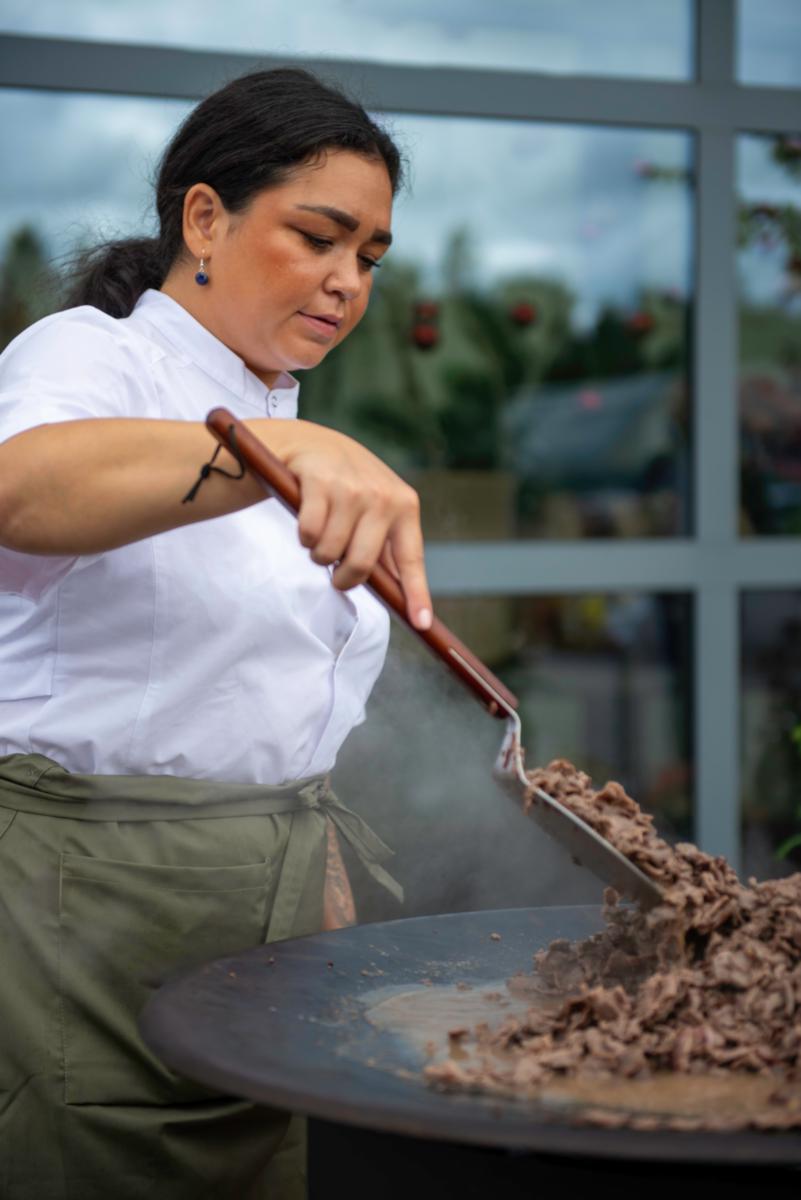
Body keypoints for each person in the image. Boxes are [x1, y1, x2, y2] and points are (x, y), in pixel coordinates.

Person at [0, 67, 432, 1199]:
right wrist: (280, 455)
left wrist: (310, 849)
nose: (347, 282)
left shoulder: (284, 410)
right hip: (89, 903)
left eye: (370, 258)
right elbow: (20, 490)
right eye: (318, 238)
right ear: (204, 218)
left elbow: (261, 695)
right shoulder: (88, 358)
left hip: (269, 918)